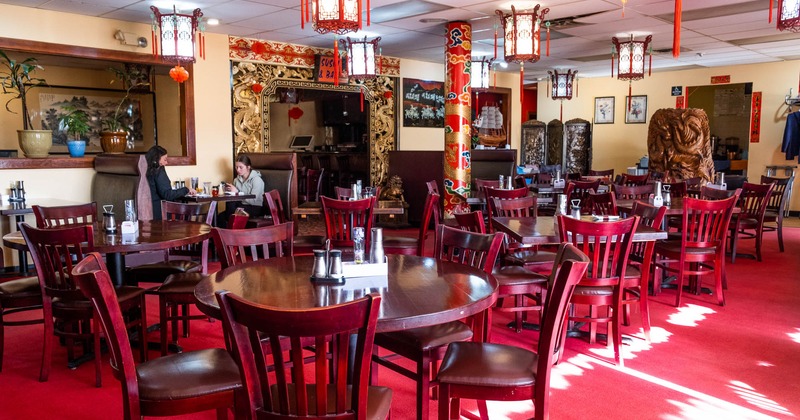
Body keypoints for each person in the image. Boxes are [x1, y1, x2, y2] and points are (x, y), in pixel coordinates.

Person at [145, 145, 194, 220]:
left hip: (148, 210)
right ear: (157, 159)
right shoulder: (158, 171)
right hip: (160, 213)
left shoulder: (145, 170)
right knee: (187, 213)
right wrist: (186, 189)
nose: (166, 162)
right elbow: (167, 194)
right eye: (164, 159)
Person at [218, 154, 265, 228]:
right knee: (220, 216)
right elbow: (235, 196)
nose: (238, 170)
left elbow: (254, 200)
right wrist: (228, 191)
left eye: (241, 167)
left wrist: (237, 192)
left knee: (230, 215)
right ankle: (223, 236)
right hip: (240, 206)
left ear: (248, 167)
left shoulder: (257, 180)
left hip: (254, 207)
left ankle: (230, 233)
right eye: (236, 167)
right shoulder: (236, 180)